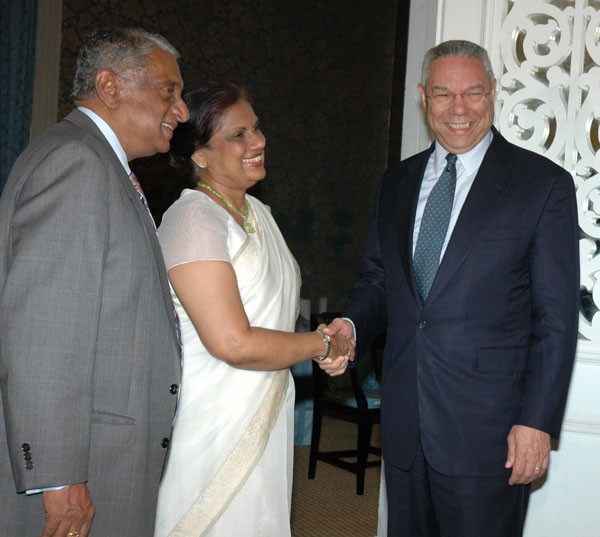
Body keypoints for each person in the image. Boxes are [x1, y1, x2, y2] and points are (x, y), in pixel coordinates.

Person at [326, 40, 579, 536]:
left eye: (473, 93)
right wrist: (351, 325)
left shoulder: (542, 185)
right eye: (443, 94)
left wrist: (537, 422)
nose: (458, 109)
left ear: (494, 94)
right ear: (423, 97)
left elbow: (554, 319)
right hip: (404, 422)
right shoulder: (395, 182)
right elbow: (380, 280)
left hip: (491, 432)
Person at [0, 28, 189, 537]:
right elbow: (44, 333)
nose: (182, 110)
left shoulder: (96, 162)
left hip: (105, 454)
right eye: (169, 91)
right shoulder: (77, 164)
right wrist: (60, 478)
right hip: (86, 462)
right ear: (110, 87)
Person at [153, 80, 353, 537]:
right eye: (238, 135)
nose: (258, 141)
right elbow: (233, 342)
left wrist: (326, 343)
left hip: (267, 401)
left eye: (257, 129)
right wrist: (323, 344)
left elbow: (274, 317)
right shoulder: (193, 220)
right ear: (199, 154)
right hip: (212, 418)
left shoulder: (259, 214)